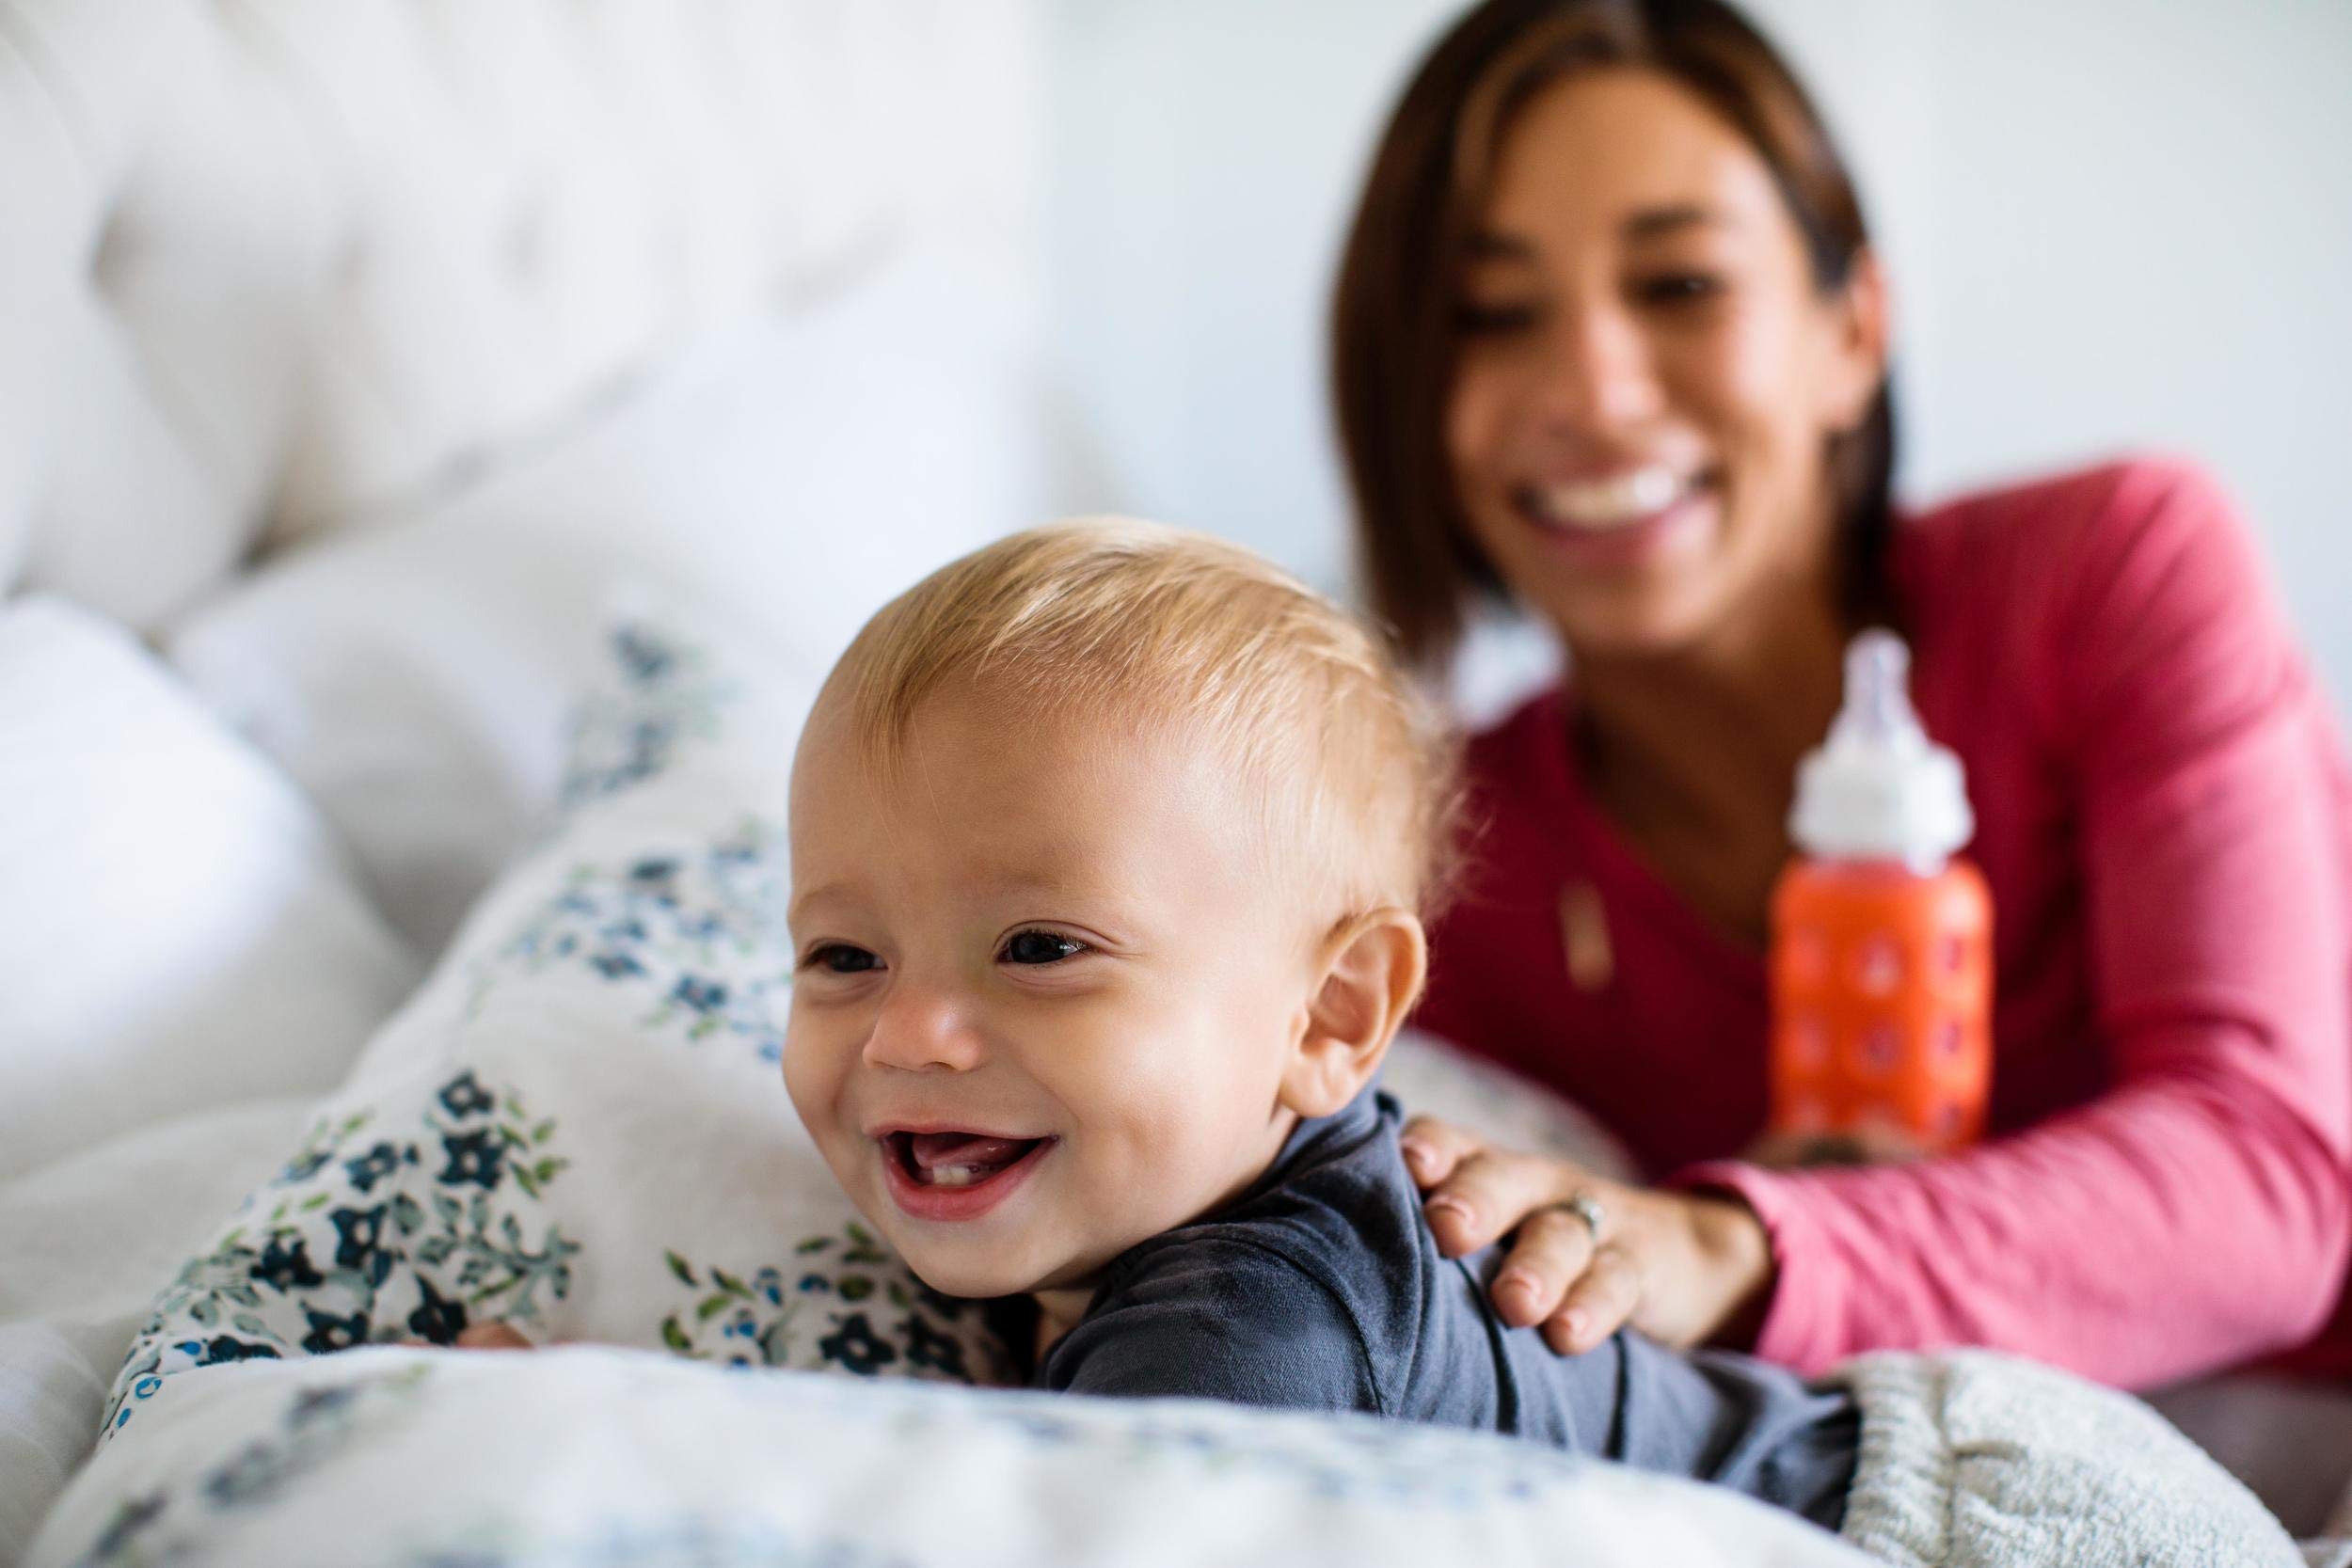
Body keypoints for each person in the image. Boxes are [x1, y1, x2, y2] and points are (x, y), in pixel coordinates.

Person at [1328, 0, 2352, 1406]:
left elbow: (2272, 1178)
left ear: (1853, 329)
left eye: (1679, 284)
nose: (1593, 390)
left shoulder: (2116, 570)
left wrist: (1729, 1243)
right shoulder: (1441, 867)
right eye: (1490, 314)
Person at [773, 518, 1861, 1529]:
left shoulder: (1242, 1331)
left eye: (1041, 948)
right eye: (844, 957)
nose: (905, 1033)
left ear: (1331, 1016)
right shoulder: (1185, 1194)